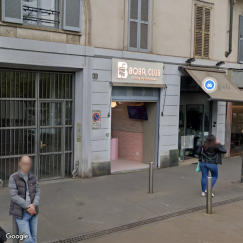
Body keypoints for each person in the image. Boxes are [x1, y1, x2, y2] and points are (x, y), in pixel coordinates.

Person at [9, 156, 41, 243]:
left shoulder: (34, 177)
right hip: (21, 214)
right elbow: (14, 196)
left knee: (34, 237)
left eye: (28, 164)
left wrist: (34, 205)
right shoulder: (13, 178)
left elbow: (38, 192)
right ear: (20, 164)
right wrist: (28, 207)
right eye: (24, 164)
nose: (26, 166)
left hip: (33, 212)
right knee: (27, 239)